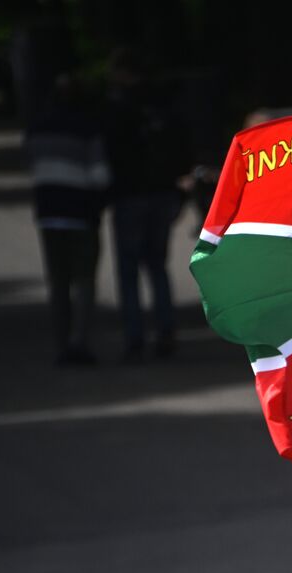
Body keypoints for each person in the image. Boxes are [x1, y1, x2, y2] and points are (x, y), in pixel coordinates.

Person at [103, 50, 192, 362]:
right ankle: (165, 331)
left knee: (128, 270)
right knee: (157, 265)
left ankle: (135, 336)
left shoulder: (117, 107)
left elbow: (110, 152)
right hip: (162, 192)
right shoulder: (163, 104)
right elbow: (183, 147)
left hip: (129, 195)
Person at [24, 74, 109, 366]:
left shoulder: (37, 128)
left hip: (49, 212)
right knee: (84, 280)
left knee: (58, 282)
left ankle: (61, 343)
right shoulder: (88, 129)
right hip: (81, 213)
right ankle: (80, 342)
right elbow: (100, 175)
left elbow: (32, 162)